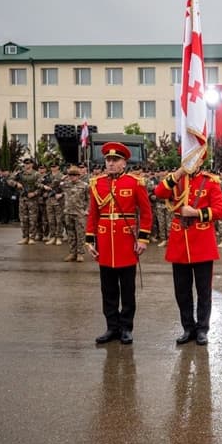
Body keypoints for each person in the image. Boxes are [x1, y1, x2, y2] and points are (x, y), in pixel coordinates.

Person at [85, 143, 153, 346]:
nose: (111, 163)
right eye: (108, 160)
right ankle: (111, 327)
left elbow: (146, 213)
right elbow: (93, 214)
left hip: (126, 242)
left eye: (115, 160)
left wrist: (143, 239)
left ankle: (126, 328)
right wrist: (90, 240)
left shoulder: (135, 183)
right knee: (108, 289)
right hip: (105, 242)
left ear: (124, 163)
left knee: (127, 290)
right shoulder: (97, 183)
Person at [154, 157, 222, 345]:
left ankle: (202, 329)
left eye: (194, 160)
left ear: (201, 162)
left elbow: (220, 211)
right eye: (188, 159)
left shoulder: (210, 182)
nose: (191, 163)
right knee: (182, 291)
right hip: (179, 243)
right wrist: (179, 173)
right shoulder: (176, 179)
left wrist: (195, 213)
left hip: (202, 243)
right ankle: (188, 327)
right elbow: (159, 192)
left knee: (204, 291)